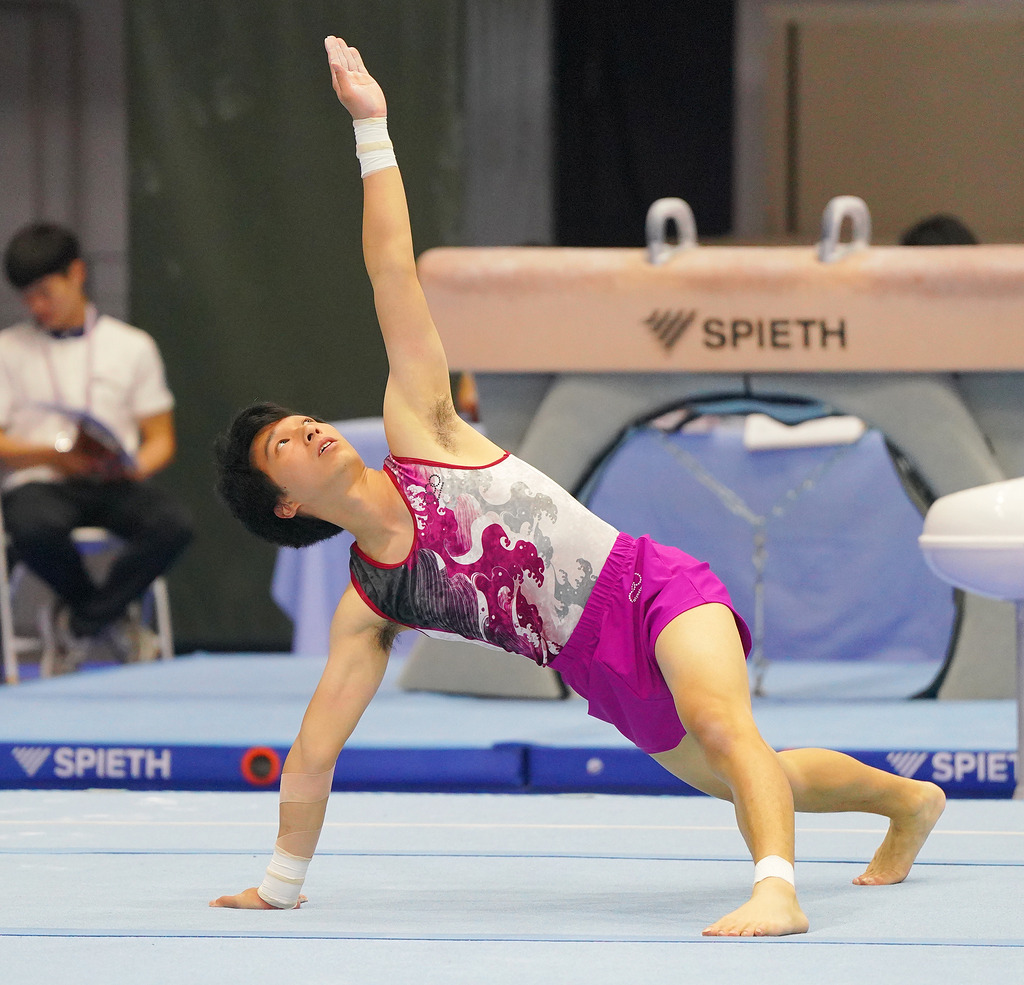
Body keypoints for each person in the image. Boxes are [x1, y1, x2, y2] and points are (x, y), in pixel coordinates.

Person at [210, 36, 945, 937]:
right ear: (284, 504)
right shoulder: (372, 603)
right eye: (284, 443)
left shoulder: (423, 431)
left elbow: (390, 270)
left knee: (726, 727)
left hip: (650, 587)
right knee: (755, 774)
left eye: (300, 417)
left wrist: (373, 131)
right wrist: (280, 884)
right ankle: (909, 801)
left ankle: (776, 890)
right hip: (593, 667)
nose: (309, 427)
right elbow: (315, 749)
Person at [0, 223, 193, 666]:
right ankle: (111, 619)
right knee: (31, 528)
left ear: (77, 273)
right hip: (40, 483)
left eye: (45, 292)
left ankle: (78, 624)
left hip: (112, 482)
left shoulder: (132, 346)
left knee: (172, 525)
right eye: (27, 297)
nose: (37, 306)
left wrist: (131, 466)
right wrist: (52, 457)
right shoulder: (7, 349)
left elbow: (161, 439)